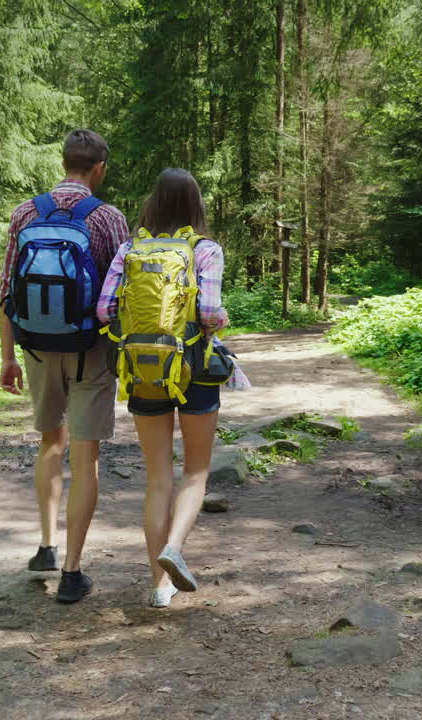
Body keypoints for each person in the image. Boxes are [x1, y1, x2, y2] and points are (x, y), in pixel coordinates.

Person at [96, 168, 250, 608]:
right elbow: (209, 313)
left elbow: (105, 310)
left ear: (153, 204)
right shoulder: (205, 250)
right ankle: (174, 548)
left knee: (157, 477)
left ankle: (159, 586)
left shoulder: (129, 249)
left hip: (144, 370)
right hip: (195, 367)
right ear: (194, 206)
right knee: (196, 471)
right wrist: (217, 322)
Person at [0, 129, 130, 604]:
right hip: (90, 351)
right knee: (85, 454)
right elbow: (124, 293)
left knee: (50, 442)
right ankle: (73, 572)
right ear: (99, 169)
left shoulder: (24, 212)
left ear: (64, 163)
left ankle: (45, 548)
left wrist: (7, 358)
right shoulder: (109, 218)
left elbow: (6, 296)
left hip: (35, 348)